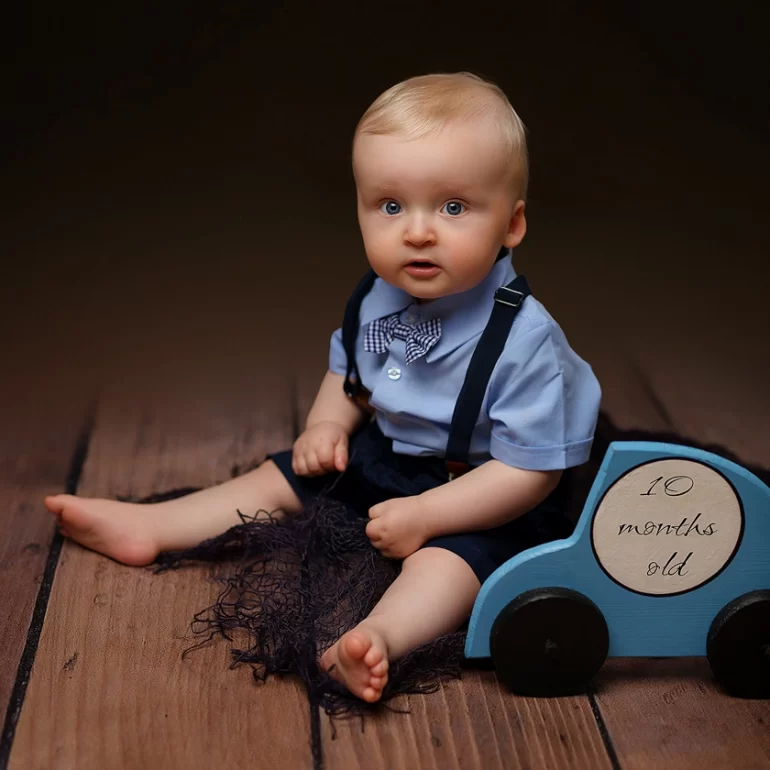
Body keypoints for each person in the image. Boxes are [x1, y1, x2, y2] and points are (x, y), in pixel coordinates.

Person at [44, 72, 601, 704]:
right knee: (276, 477)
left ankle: (379, 637)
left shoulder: (526, 343)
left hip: (479, 489)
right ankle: (152, 525)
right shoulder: (377, 295)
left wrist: (430, 515)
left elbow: (530, 474)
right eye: (391, 206)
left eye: (453, 207)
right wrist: (326, 425)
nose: (417, 231)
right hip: (391, 456)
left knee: (448, 565)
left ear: (512, 223)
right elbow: (351, 375)